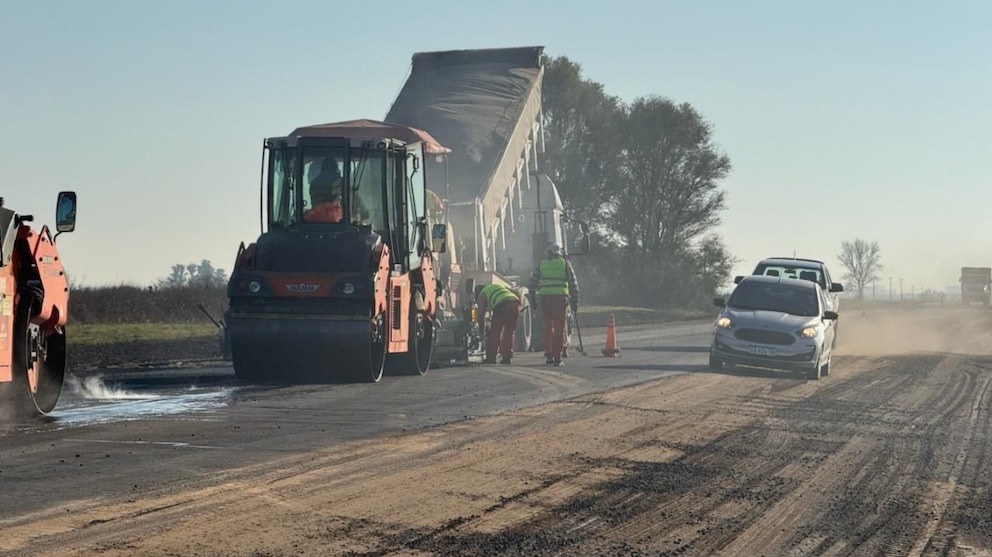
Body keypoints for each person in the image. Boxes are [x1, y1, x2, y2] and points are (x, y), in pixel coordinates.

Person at [528, 242, 579, 366]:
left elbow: (533, 282)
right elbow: (573, 283)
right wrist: (576, 300)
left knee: (547, 327)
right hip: (560, 298)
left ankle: (549, 354)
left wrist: (533, 299)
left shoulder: (542, 264)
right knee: (559, 328)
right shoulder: (565, 263)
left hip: (545, 298)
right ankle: (557, 357)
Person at [475, 283, 521, 365]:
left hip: (501, 306)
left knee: (495, 333)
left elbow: (480, 315)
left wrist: (482, 332)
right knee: (509, 333)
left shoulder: (482, 294)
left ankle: (491, 357)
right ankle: (507, 357)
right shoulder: (498, 286)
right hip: (515, 304)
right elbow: (516, 292)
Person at [304, 158, 344, 223]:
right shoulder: (343, 183)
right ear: (336, 169)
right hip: (341, 224)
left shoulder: (314, 183)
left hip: (314, 224)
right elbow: (360, 210)